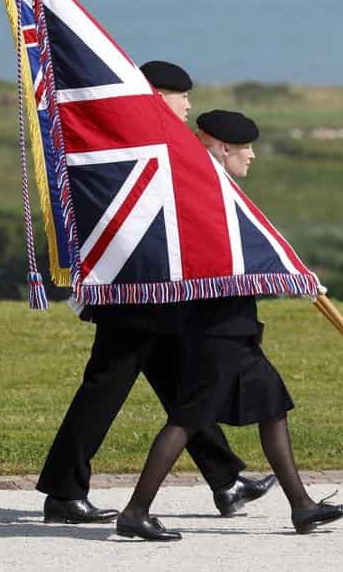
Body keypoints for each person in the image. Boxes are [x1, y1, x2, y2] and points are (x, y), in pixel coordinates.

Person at [37, 62, 275, 525]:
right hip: (135, 294)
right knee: (104, 389)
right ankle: (64, 492)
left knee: (182, 387)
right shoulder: (145, 140)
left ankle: (225, 481)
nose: (188, 105)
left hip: (153, 294)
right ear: (155, 95)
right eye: (179, 96)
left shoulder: (156, 139)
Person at [115, 110, 343, 541]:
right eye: (245, 148)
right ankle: (135, 511)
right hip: (214, 327)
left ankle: (301, 506)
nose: (252, 156)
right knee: (188, 418)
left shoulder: (217, 190)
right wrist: (290, 272)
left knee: (272, 404)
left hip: (234, 327)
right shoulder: (204, 191)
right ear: (223, 148)